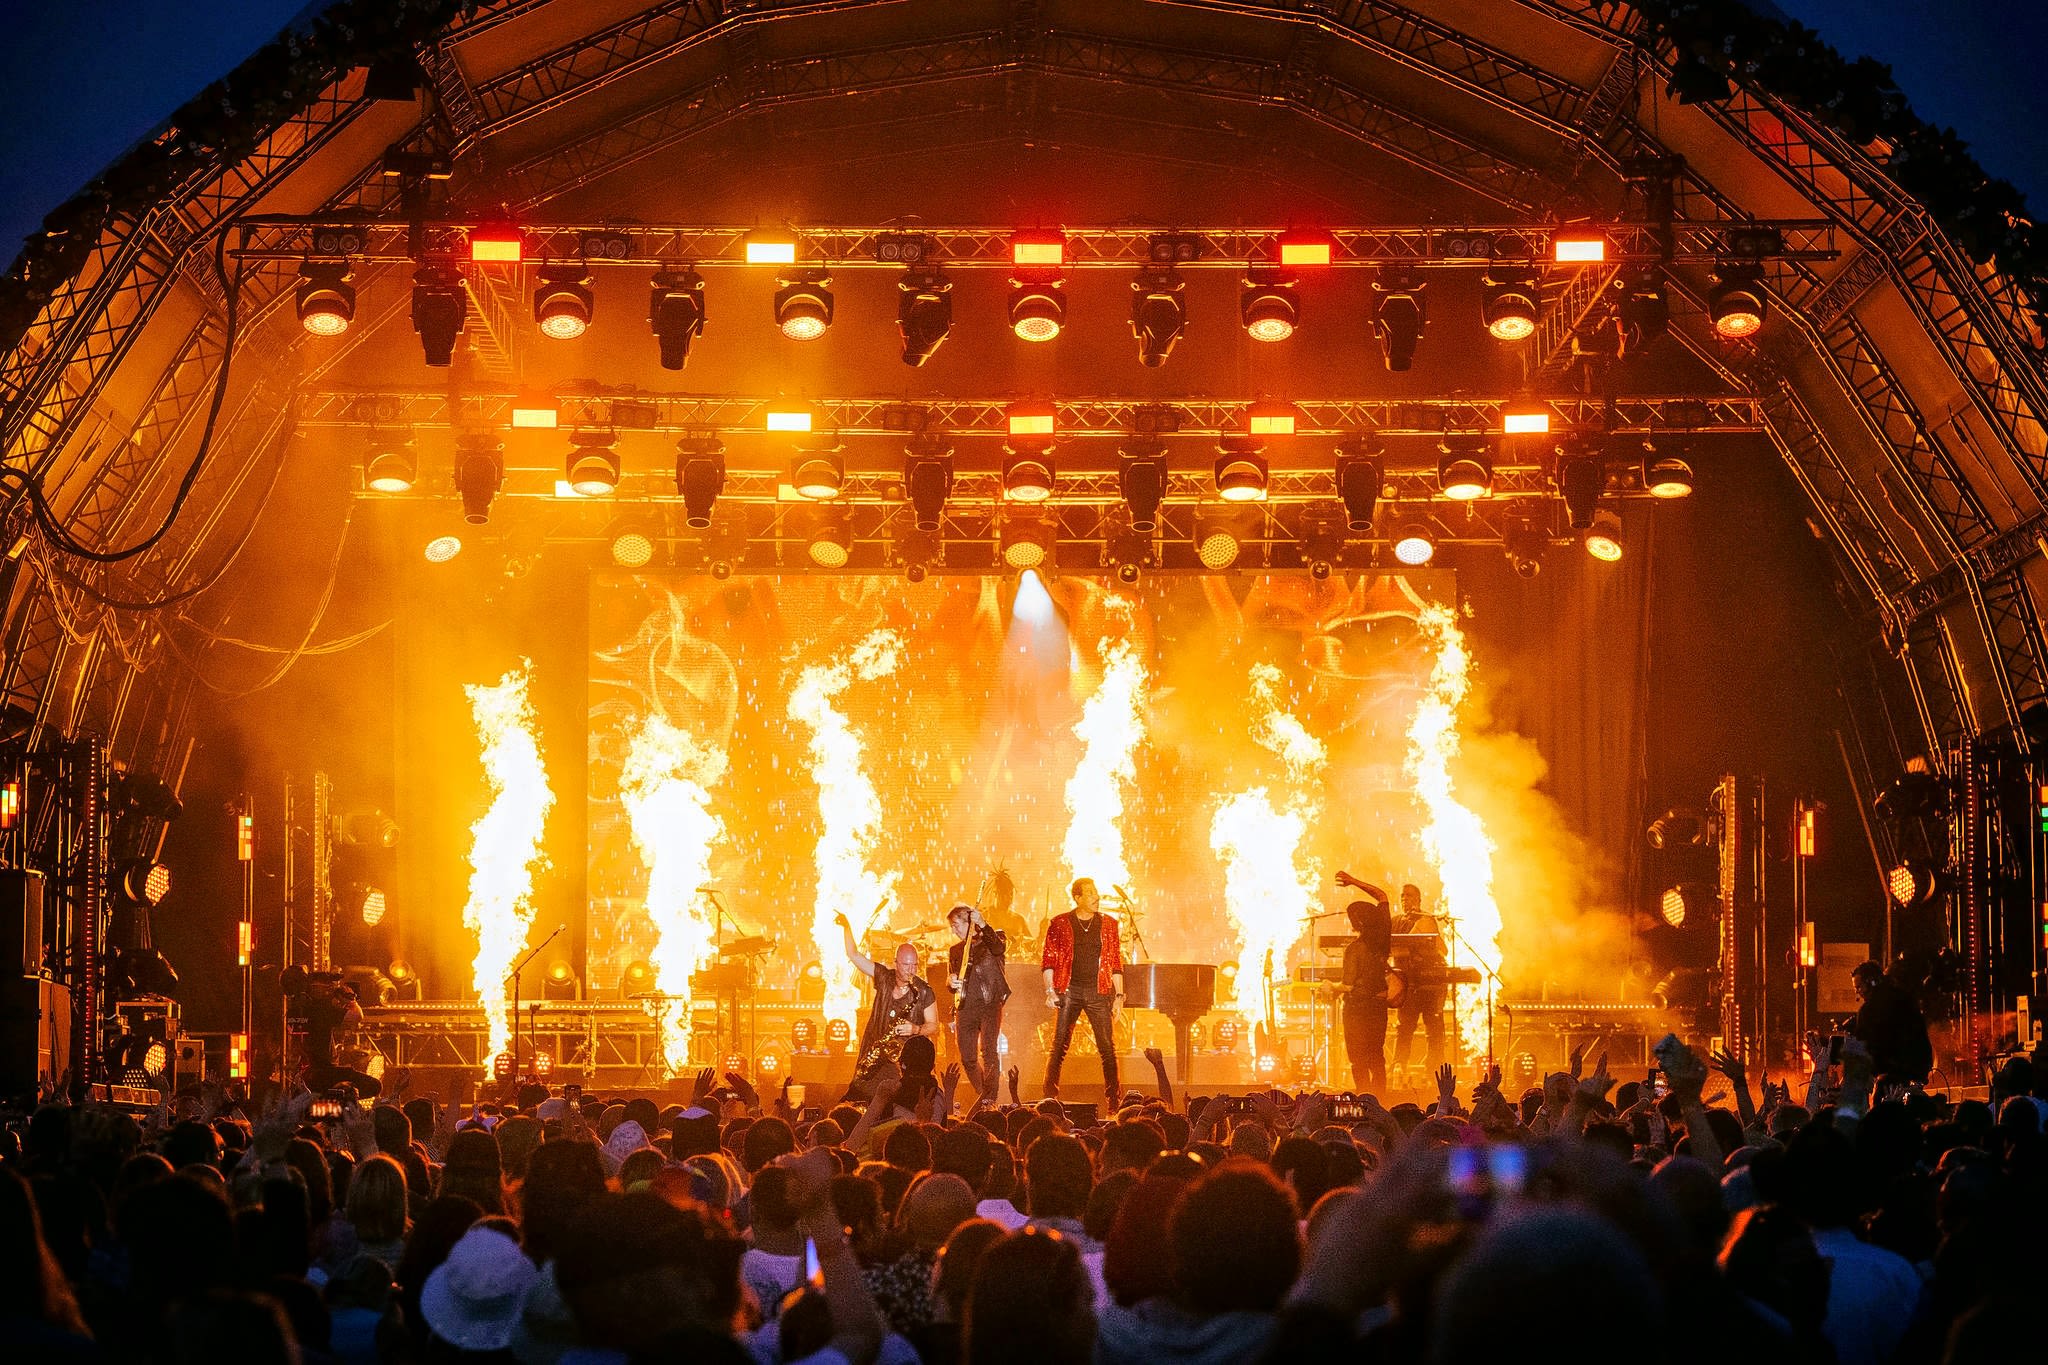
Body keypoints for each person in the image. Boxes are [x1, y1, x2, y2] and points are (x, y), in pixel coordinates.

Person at [1040, 878, 1126, 1101]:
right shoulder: (1059, 923)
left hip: (1099, 992)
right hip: (1070, 990)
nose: (1096, 897)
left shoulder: (1109, 924)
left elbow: (1116, 962)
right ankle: (1049, 1098)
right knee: (1059, 1046)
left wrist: (1118, 997)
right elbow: (1048, 960)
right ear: (1077, 898)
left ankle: (1114, 1102)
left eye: (1096, 892)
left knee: (1107, 1048)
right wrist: (1050, 991)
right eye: (1089, 893)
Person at [838, 913, 942, 1086]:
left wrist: (915, 1029)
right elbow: (854, 955)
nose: (911, 970)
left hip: (904, 1061)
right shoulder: (884, 977)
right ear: (896, 963)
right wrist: (846, 927)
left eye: (915, 965)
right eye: (906, 965)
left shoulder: (923, 991)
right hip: (875, 1052)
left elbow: (933, 1025)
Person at [1333, 875, 1393, 1093]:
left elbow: (1348, 985)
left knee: (1358, 1059)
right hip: (1378, 1007)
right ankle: (1381, 1101)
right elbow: (1382, 895)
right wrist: (1355, 881)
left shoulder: (1354, 949)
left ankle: (1365, 1100)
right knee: (1376, 1056)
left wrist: (1330, 987)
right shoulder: (1383, 939)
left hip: (1356, 1010)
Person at [948, 902, 1011, 1102]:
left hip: (989, 1003)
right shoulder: (955, 950)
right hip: (965, 1007)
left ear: (970, 923)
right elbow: (952, 979)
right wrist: (950, 981)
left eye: (956, 925)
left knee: (989, 1050)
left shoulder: (993, 938)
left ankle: (990, 1099)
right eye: (952, 926)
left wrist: (983, 924)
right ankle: (984, 1093)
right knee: (968, 1057)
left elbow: (999, 948)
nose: (953, 930)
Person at [287, 968, 382, 1099]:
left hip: (304, 1073)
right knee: (374, 1086)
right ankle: (341, 1102)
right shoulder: (320, 1010)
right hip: (325, 1071)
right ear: (316, 987)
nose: (331, 989)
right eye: (328, 985)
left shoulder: (294, 1011)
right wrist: (350, 999)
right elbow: (356, 1016)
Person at [1389, 883, 1446, 1078]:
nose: (1405, 899)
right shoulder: (1395, 922)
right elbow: (1388, 949)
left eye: (1410, 896)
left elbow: (1442, 949)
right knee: (1404, 1029)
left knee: (1434, 1030)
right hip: (1407, 985)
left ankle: (1435, 1072)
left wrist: (1424, 925)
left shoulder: (1427, 920)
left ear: (1419, 900)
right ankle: (1398, 1067)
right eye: (1402, 896)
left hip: (1430, 985)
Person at [1848, 959, 1933, 1084]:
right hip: (1917, 1069)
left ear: (1872, 982)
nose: (1857, 992)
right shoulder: (1905, 997)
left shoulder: (1869, 1011)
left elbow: (1866, 1047)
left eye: (1859, 987)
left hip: (1890, 1075)